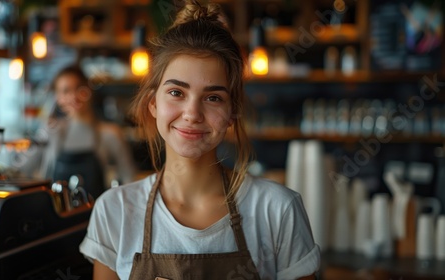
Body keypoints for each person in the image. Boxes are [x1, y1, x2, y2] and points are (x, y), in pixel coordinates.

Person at [79, 1, 320, 279]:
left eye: (213, 97)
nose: (192, 114)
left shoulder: (277, 210)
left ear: (233, 113)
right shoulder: (115, 211)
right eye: (176, 93)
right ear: (152, 103)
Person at [20, 65, 136, 199]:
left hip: (96, 216)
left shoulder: (110, 133)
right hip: (55, 217)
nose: (73, 96)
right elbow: (23, 170)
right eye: (65, 91)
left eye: (78, 88)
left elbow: (130, 180)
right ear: (57, 98)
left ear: (88, 90)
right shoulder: (50, 131)